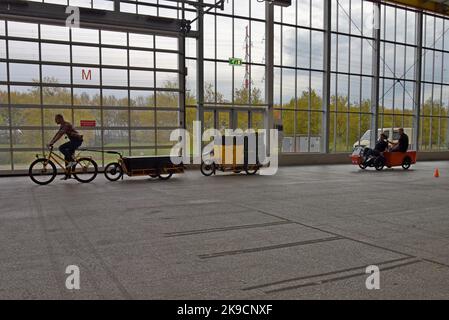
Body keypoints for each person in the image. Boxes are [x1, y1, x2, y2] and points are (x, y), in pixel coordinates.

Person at [47, 114, 83, 179]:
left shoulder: (66, 125)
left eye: (56, 119)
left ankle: (73, 161)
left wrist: (52, 142)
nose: (55, 121)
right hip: (74, 141)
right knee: (67, 158)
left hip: (76, 141)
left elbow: (60, 135)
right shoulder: (62, 125)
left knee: (61, 148)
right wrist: (51, 142)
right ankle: (68, 174)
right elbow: (57, 134)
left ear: (60, 118)